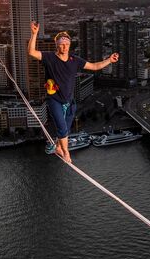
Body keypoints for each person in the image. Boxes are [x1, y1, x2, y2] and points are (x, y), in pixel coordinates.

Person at [28, 21, 119, 163]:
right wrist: (34, 35)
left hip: (70, 102)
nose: (64, 47)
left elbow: (94, 66)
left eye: (67, 44)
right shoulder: (49, 58)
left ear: (69, 45)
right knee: (63, 129)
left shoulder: (74, 60)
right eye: (61, 44)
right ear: (57, 45)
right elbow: (31, 52)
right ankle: (66, 153)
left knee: (65, 130)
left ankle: (58, 146)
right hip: (54, 100)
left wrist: (109, 60)